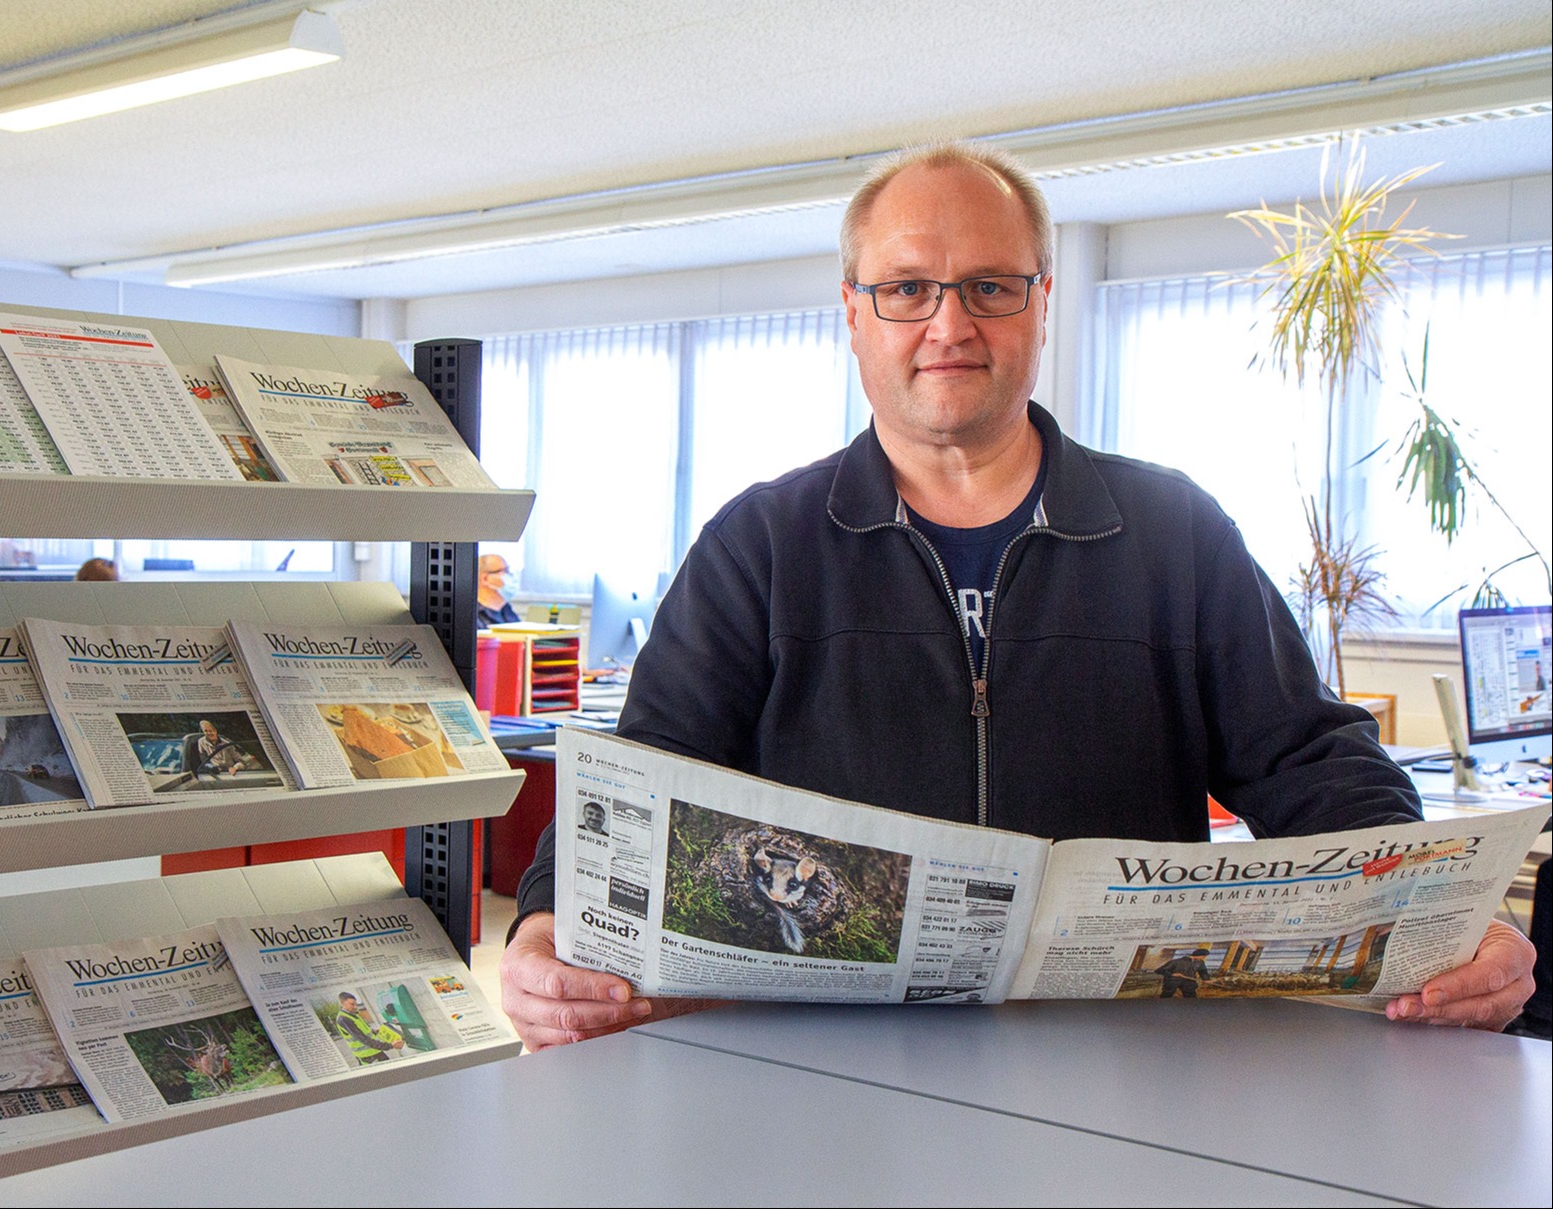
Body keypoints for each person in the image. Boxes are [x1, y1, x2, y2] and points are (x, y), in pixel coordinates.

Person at [498, 139, 1536, 1049]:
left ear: (1042, 303)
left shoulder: (1175, 534)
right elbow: (643, 774)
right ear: (852, 317)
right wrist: (546, 921)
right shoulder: (759, 543)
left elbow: (1309, 760)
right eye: (906, 289)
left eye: (989, 286)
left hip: (1123, 1070)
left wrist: (1448, 916)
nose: (948, 323)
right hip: (821, 1068)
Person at [334, 993, 405, 1063]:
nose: (355, 1007)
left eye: (356, 1004)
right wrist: (390, 1045)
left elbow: (364, 1031)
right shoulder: (344, 1019)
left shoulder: (354, 1014)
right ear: (342, 1003)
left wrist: (375, 1031)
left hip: (375, 1051)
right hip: (367, 1057)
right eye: (352, 1004)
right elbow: (363, 1039)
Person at [477, 554, 521, 627]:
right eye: (505, 571)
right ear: (485, 579)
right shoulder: (472, 615)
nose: (510, 575)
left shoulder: (506, 609)